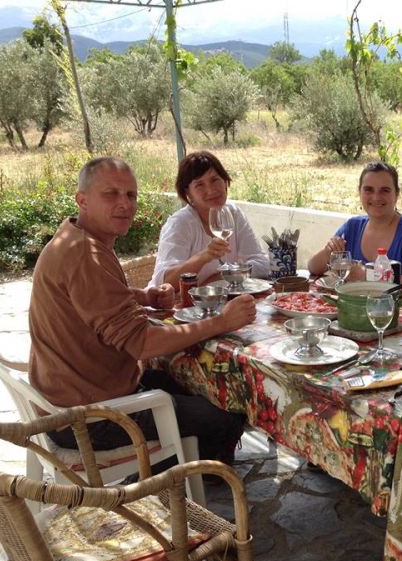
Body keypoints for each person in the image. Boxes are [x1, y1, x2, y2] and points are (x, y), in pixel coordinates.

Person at [29, 157, 257, 467]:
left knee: (208, 385)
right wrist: (221, 321)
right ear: (82, 200)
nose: (125, 204)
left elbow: (90, 297)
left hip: (77, 392)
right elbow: (144, 344)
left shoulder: (76, 237)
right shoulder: (85, 255)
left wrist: (143, 296)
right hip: (88, 417)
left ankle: (192, 464)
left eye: (130, 195)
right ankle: (161, 483)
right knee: (227, 413)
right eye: (111, 194)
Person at [307, 161, 402, 298]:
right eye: (369, 190)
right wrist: (328, 251)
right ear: (360, 193)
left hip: (395, 309)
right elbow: (313, 268)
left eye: (385, 190)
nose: (376, 197)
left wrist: (368, 276)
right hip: (354, 306)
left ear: (397, 194)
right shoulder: (352, 227)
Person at [150, 151, 269, 289]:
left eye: (215, 180)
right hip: (181, 301)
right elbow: (164, 283)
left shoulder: (233, 213)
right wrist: (203, 257)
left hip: (222, 299)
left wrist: (222, 277)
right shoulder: (180, 224)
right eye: (199, 185)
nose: (211, 190)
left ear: (225, 181)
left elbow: (262, 263)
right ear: (188, 193)